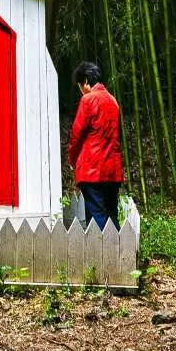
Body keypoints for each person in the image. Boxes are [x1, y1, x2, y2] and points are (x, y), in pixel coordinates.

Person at [67, 61, 123, 230]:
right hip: (112, 170)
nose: (80, 90)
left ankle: (102, 254)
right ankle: (119, 251)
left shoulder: (88, 100)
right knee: (111, 213)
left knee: (96, 216)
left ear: (85, 81)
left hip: (92, 169)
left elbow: (77, 134)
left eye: (79, 85)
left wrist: (72, 159)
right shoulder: (113, 101)